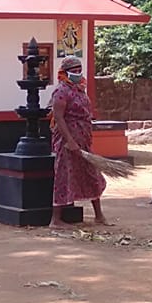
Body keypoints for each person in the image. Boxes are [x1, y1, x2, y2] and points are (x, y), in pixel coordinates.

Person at [49, 56, 109, 227]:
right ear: (65, 72)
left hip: (84, 138)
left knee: (91, 173)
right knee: (64, 175)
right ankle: (56, 219)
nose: (77, 73)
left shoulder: (80, 89)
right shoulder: (61, 91)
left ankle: (99, 215)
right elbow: (59, 118)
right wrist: (70, 140)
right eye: (73, 71)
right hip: (67, 140)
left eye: (78, 70)